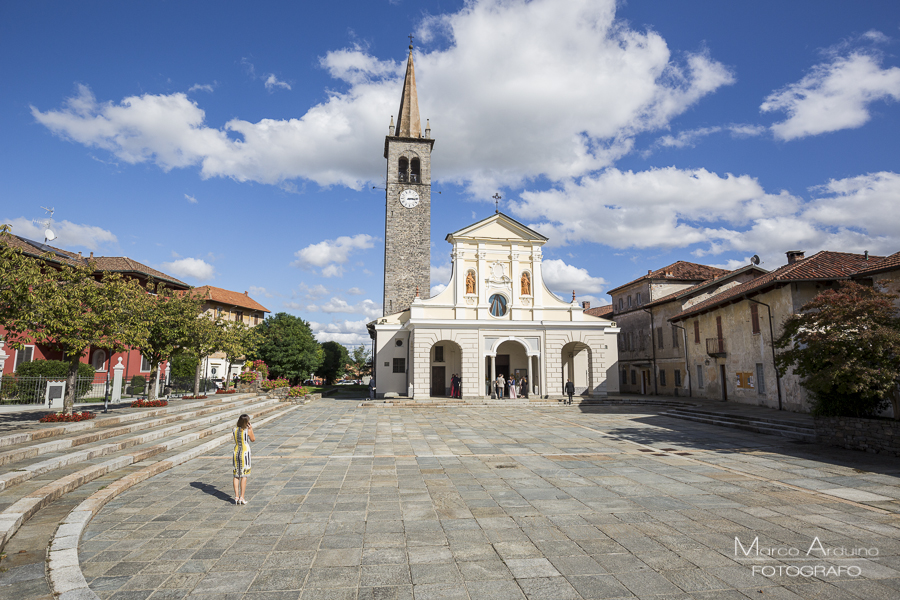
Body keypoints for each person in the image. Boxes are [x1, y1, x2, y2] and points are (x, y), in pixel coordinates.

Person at [232, 414, 255, 504]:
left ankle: (236, 496)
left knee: (236, 475)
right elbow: (253, 439)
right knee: (244, 475)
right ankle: (242, 497)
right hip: (245, 453)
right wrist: (251, 429)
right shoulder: (247, 431)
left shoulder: (234, 429)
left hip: (236, 452)